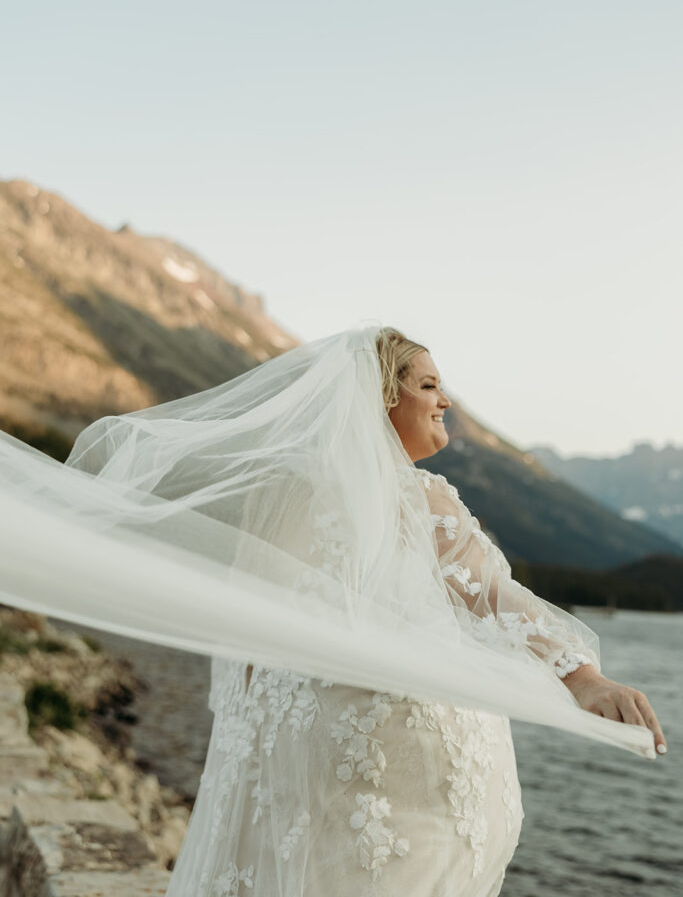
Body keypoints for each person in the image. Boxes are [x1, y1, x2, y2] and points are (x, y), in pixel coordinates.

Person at [160, 327, 666, 897]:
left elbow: (245, 658)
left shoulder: (278, 500)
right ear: (380, 397)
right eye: (428, 385)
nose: (445, 401)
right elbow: (493, 597)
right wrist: (583, 677)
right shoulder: (416, 495)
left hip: (300, 780)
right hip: (399, 796)